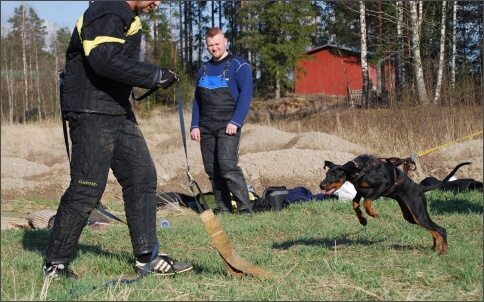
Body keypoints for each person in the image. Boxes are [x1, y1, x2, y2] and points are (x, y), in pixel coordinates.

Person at [43, 1, 193, 279]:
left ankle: (147, 257)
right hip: (92, 110)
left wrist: (152, 75)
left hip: (115, 109)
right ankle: (55, 264)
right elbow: (103, 58)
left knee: (141, 175)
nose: (157, 3)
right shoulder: (109, 9)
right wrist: (153, 75)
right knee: (87, 188)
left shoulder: (124, 13)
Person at [190, 27, 254, 216]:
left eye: (217, 44)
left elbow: (246, 97)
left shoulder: (239, 66)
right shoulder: (203, 68)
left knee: (227, 166)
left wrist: (236, 121)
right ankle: (224, 208)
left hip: (228, 123)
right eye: (210, 45)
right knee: (212, 170)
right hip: (206, 124)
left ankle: (245, 208)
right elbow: (197, 100)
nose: (214, 48)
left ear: (225, 41)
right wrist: (195, 125)